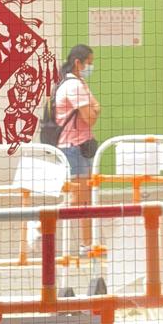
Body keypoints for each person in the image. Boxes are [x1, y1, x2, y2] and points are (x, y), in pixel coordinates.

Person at [55, 45, 99, 246]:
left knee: (85, 198)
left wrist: (93, 109)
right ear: (77, 62)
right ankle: (38, 224)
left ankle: (87, 244)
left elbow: (94, 109)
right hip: (73, 147)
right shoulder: (73, 86)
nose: (91, 67)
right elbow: (91, 117)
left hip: (82, 145)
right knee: (78, 199)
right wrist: (93, 109)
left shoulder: (78, 83)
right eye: (89, 63)